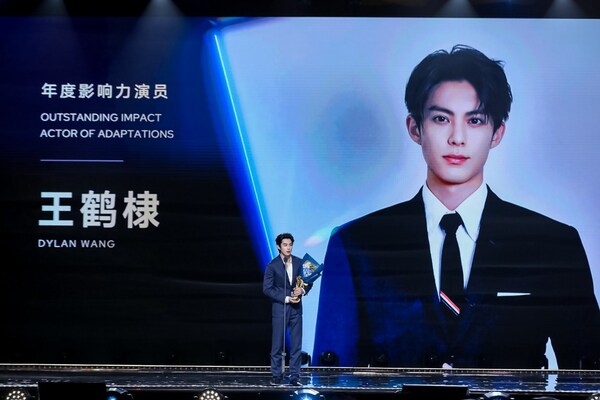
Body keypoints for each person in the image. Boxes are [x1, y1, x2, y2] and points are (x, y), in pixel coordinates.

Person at [313, 45, 600, 369]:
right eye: (441, 118)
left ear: (497, 133)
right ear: (415, 128)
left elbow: (590, 375)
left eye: (475, 120)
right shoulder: (356, 244)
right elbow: (332, 378)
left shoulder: (553, 245)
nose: (457, 138)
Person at [263, 233, 312, 385]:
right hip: (280, 308)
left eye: (290, 244)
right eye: (285, 245)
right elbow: (267, 288)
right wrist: (285, 298)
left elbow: (309, 280)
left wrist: (302, 290)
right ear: (279, 246)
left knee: (296, 344)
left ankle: (295, 376)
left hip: (296, 308)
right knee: (278, 343)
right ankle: (277, 375)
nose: (288, 247)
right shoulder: (272, 265)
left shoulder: (300, 262)